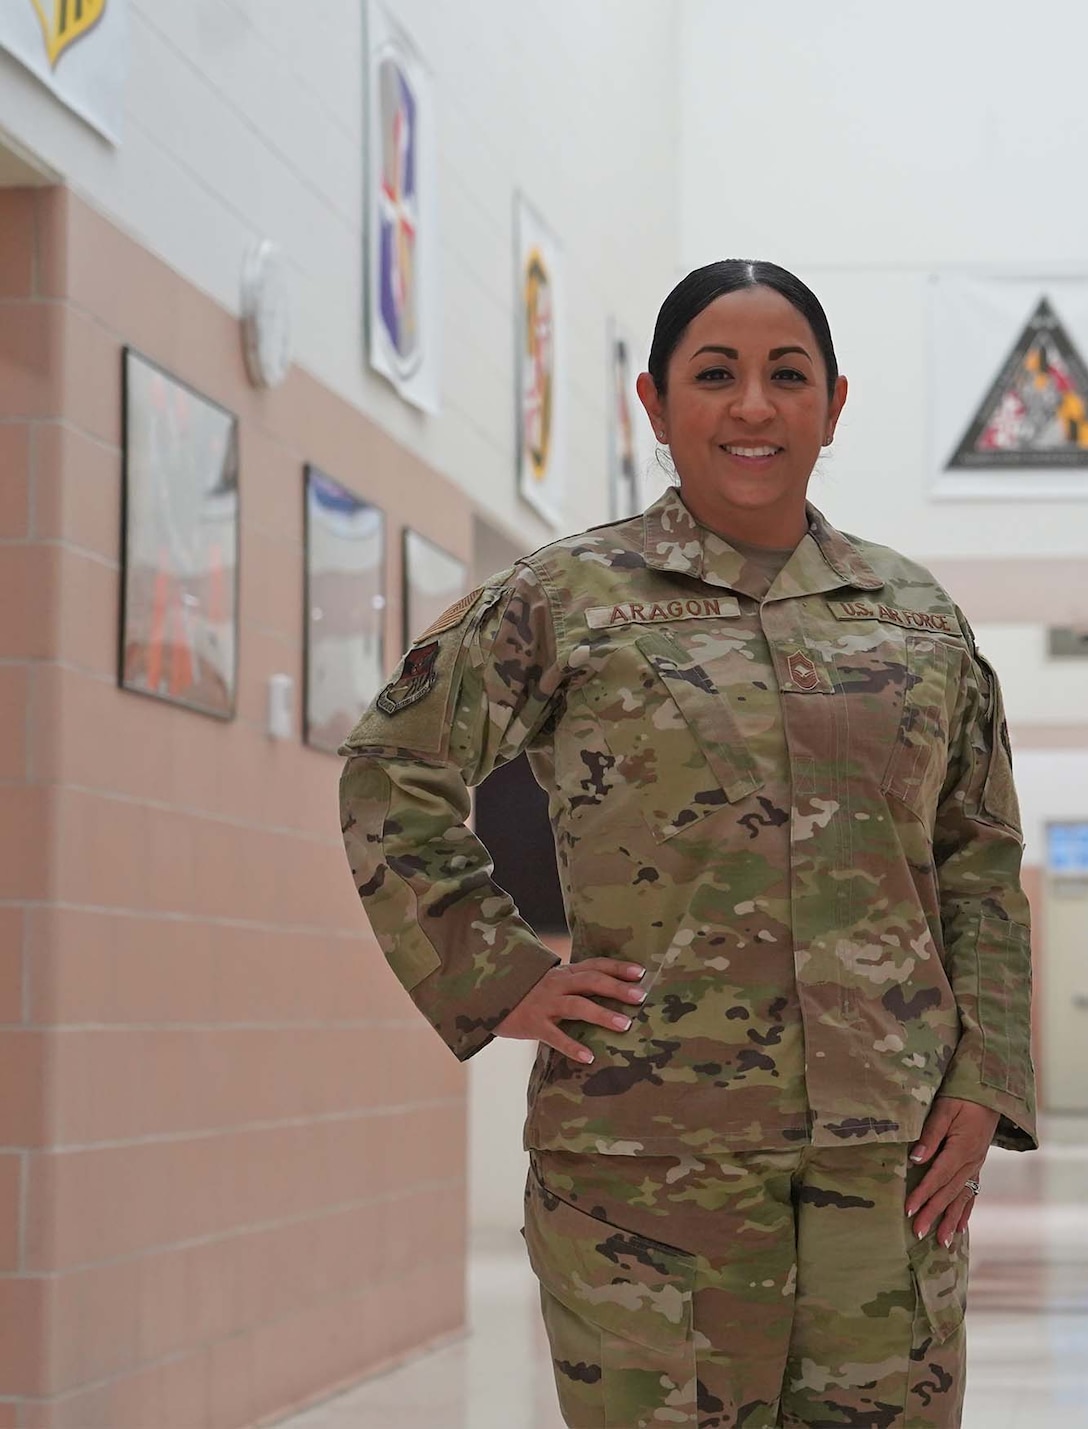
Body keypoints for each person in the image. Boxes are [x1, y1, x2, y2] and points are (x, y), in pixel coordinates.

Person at [336, 259, 1036, 1428]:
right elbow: (389, 766)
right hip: (645, 1176)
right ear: (655, 406)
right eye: (715, 375)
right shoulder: (566, 601)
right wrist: (498, 976)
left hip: (885, 1175)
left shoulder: (917, 621)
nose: (752, 406)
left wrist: (985, 1075)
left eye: (786, 375)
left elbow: (978, 857)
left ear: (833, 404)